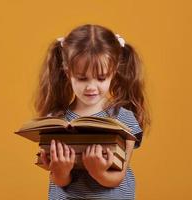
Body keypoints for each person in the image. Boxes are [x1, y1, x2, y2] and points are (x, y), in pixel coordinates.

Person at [34, 24, 151, 200]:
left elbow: (118, 178)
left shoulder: (124, 118)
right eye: (82, 78)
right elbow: (59, 181)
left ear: (114, 72)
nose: (91, 87)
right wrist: (61, 171)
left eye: (101, 78)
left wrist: (98, 171)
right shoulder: (56, 120)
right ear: (68, 73)